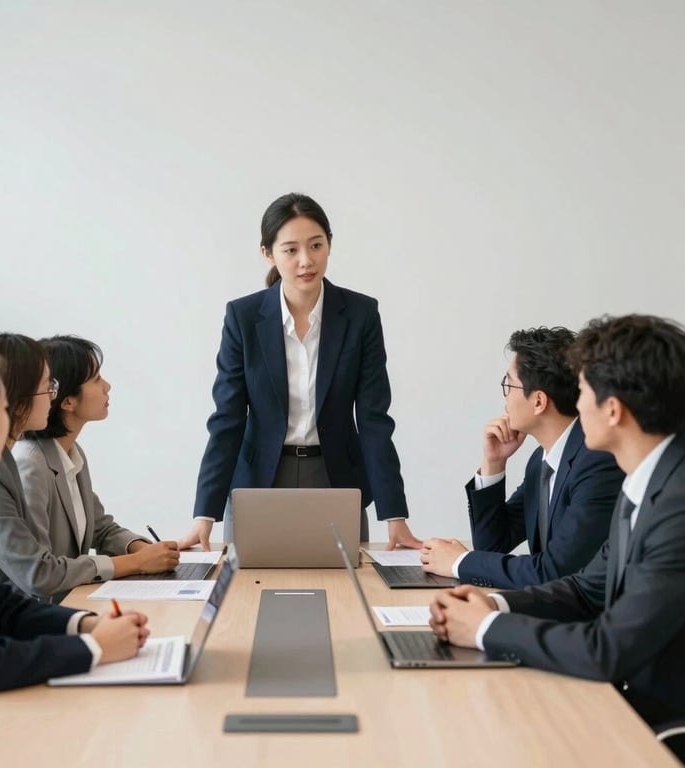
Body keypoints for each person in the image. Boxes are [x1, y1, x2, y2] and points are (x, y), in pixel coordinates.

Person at [429, 314, 685, 734]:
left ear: (614, 410)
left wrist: (486, 628)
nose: (576, 404)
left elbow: (608, 650)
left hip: (659, 724)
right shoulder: (648, 481)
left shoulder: (675, 507)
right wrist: (492, 604)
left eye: (583, 392)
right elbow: (586, 588)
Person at [0, 343, 149, 752]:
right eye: (4, 409)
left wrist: (86, 625)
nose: (14, 425)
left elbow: (3, 605)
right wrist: (93, 648)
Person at [179, 193, 421, 551]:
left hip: (335, 478)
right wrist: (205, 516)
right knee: (247, 593)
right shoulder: (243, 318)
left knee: (347, 591)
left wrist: (394, 516)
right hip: (259, 482)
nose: (306, 261)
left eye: (316, 245)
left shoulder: (360, 315)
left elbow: (374, 420)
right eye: (290, 250)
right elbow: (227, 420)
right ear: (268, 253)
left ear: (329, 245)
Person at [0, 333, 178, 604]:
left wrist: (148, 552)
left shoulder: (69, 455)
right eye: (47, 387)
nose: (51, 395)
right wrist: (136, 562)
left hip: (58, 605)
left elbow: (100, 527)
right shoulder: (21, 464)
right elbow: (39, 574)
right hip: (38, 612)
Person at [420, 327, 623, 589]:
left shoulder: (597, 462)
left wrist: (460, 562)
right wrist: (494, 463)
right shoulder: (542, 460)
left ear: (539, 401)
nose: (506, 397)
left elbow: (554, 572)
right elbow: (493, 546)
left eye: (509, 385)